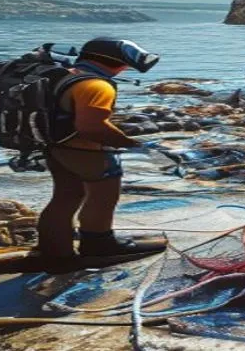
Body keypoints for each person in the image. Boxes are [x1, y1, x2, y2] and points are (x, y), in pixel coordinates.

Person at [36, 37, 165, 262]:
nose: (125, 69)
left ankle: (55, 253)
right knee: (103, 197)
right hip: (87, 151)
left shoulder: (66, 75)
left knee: (65, 197)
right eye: (125, 64)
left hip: (55, 146)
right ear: (117, 61)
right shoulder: (97, 85)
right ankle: (99, 244)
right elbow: (91, 127)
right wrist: (132, 144)